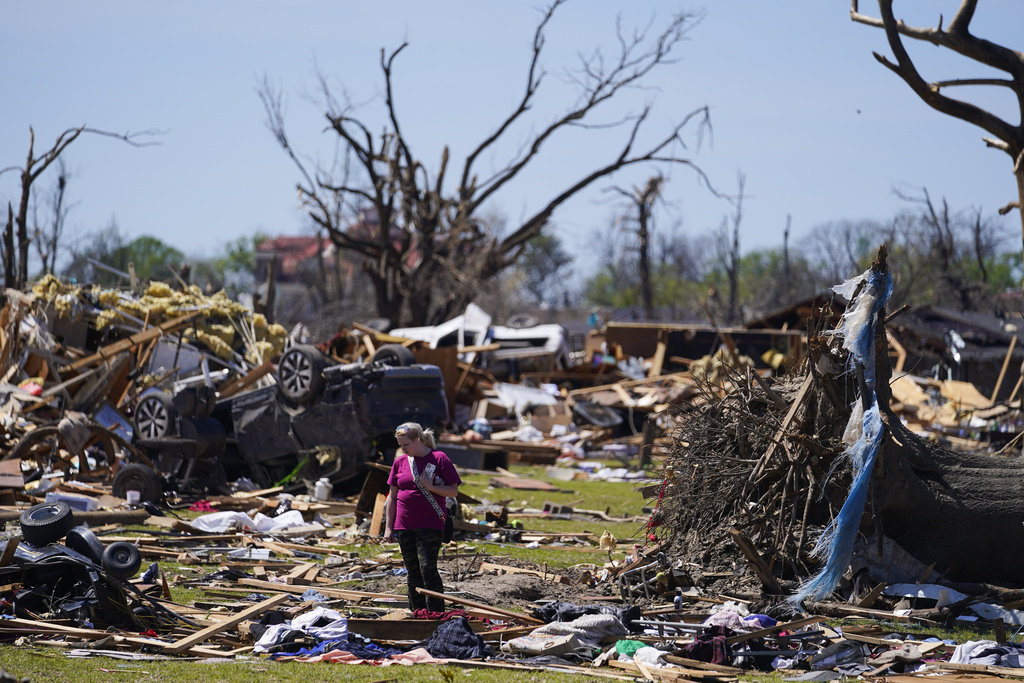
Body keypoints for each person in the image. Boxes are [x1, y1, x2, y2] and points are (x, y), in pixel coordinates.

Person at [384, 421, 461, 613]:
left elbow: (453, 491)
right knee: (413, 572)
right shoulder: (399, 462)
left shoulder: (439, 458)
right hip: (404, 525)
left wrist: (431, 487)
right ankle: (417, 612)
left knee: (427, 568)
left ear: (417, 439)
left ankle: (436, 612)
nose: (402, 449)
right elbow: (392, 497)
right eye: (400, 445)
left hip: (430, 524)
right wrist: (388, 527)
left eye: (406, 445)